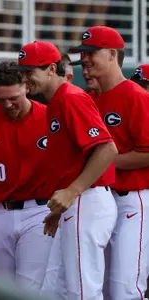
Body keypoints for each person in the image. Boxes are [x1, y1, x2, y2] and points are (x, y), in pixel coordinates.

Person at [12, 41, 118, 299]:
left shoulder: (71, 98)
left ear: (51, 69)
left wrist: (71, 192)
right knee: (55, 289)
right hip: (77, 203)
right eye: (22, 72)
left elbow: (107, 149)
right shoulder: (57, 101)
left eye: (30, 72)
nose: (24, 79)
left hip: (88, 199)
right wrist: (62, 207)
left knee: (82, 291)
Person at [69, 26, 149, 300]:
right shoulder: (89, 99)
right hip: (99, 201)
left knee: (124, 288)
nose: (85, 59)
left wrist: (102, 162)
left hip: (132, 200)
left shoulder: (137, 96)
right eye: (83, 54)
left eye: (92, 52)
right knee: (97, 285)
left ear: (113, 55)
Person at [0, 61, 52, 292]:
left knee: (29, 287)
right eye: (1, 99)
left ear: (26, 85)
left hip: (39, 211)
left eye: (13, 97)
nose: (7, 104)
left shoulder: (49, 117)